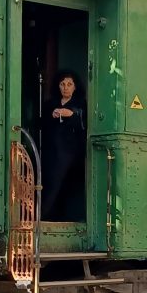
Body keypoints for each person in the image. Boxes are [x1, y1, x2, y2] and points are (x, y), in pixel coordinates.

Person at [41, 70, 86, 221]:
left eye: (69, 84)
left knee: (68, 187)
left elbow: (84, 125)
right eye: (62, 84)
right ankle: (47, 216)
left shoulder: (81, 104)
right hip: (52, 153)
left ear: (75, 87)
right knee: (50, 185)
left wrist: (71, 115)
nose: (66, 87)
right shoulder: (50, 105)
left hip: (71, 155)